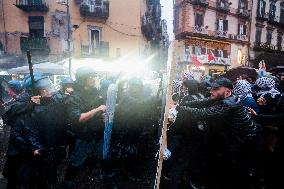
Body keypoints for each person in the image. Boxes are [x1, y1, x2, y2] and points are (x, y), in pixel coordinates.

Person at [177, 78, 262, 189]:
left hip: (245, 144)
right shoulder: (223, 97)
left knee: (234, 176)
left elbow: (203, 113)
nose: (211, 91)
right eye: (211, 88)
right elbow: (203, 102)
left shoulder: (228, 103)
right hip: (233, 141)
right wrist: (183, 103)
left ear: (228, 92)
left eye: (216, 89)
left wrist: (178, 108)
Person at [64, 67, 106, 188]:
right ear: (83, 79)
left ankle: (88, 177)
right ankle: (68, 181)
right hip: (82, 136)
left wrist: (103, 115)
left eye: (94, 76)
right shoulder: (74, 97)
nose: (94, 79)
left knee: (95, 157)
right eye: (91, 77)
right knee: (77, 160)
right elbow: (78, 118)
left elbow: (100, 109)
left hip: (96, 133)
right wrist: (97, 110)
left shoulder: (95, 93)